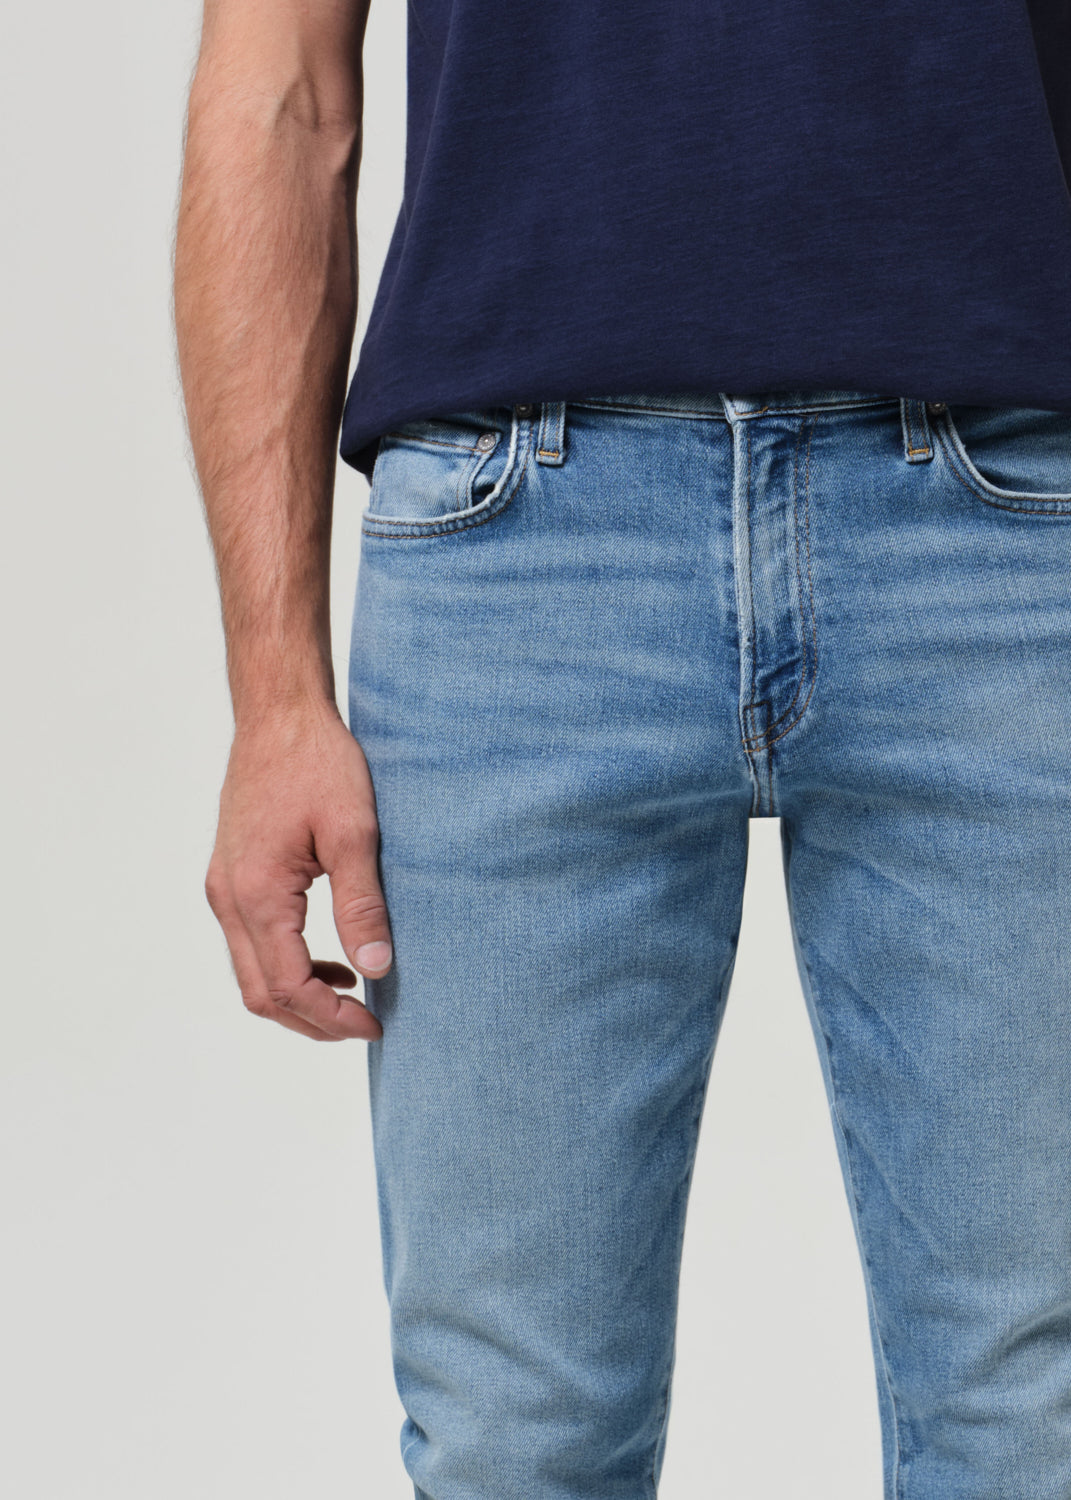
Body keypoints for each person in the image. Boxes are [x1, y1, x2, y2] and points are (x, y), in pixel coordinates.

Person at [173, 0, 1071, 1493]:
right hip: (516, 541)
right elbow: (282, 86)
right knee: (517, 1444)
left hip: (1010, 523)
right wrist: (274, 694)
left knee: (1034, 1421)